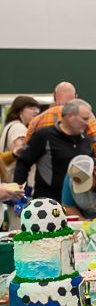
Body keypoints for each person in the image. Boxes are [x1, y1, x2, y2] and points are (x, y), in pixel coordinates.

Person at [15, 99, 94, 201]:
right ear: (69, 116)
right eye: (84, 119)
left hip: (78, 200)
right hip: (48, 200)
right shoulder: (44, 136)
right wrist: (20, 195)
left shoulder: (86, 140)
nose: (87, 123)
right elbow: (23, 163)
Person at [25, 82, 96, 158]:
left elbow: (26, 151)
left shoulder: (37, 120)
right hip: (77, 170)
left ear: (54, 96)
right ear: (76, 97)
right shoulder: (87, 117)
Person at [1, 96, 41, 230]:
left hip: (9, 185)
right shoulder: (18, 128)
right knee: (20, 228)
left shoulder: (9, 126)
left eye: (37, 108)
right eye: (31, 108)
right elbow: (21, 151)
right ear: (19, 111)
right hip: (16, 187)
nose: (36, 111)